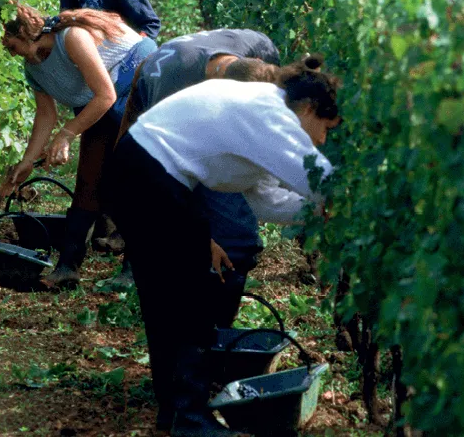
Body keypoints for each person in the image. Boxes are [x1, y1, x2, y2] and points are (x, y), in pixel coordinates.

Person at [109, 59, 341, 437]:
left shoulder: (258, 111)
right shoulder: (269, 112)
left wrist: (319, 213)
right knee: (189, 298)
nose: (322, 141)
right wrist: (353, 206)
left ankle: (176, 411)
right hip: (150, 176)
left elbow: (266, 201)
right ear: (311, 109)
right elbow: (318, 180)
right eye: (325, 129)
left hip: (139, 171)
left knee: (167, 300)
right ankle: (189, 418)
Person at [115, 29, 282, 319]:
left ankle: (217, 317)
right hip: (154, 97)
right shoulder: (172, 92)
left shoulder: (261, 48)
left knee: (237, 237)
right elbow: (162, 177)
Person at [0, 5, 157, 289]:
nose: (11, 53)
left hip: (136, 72)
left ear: (27, 35)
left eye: (12, 46)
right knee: (88, 178)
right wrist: (27, 161)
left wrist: (68, 133)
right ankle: (68, 266)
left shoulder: (72, 38)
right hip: (104, 97)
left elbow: (106, 95)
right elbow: (46, 116)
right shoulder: (33, 69)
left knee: (129, 172)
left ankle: (135, 269)